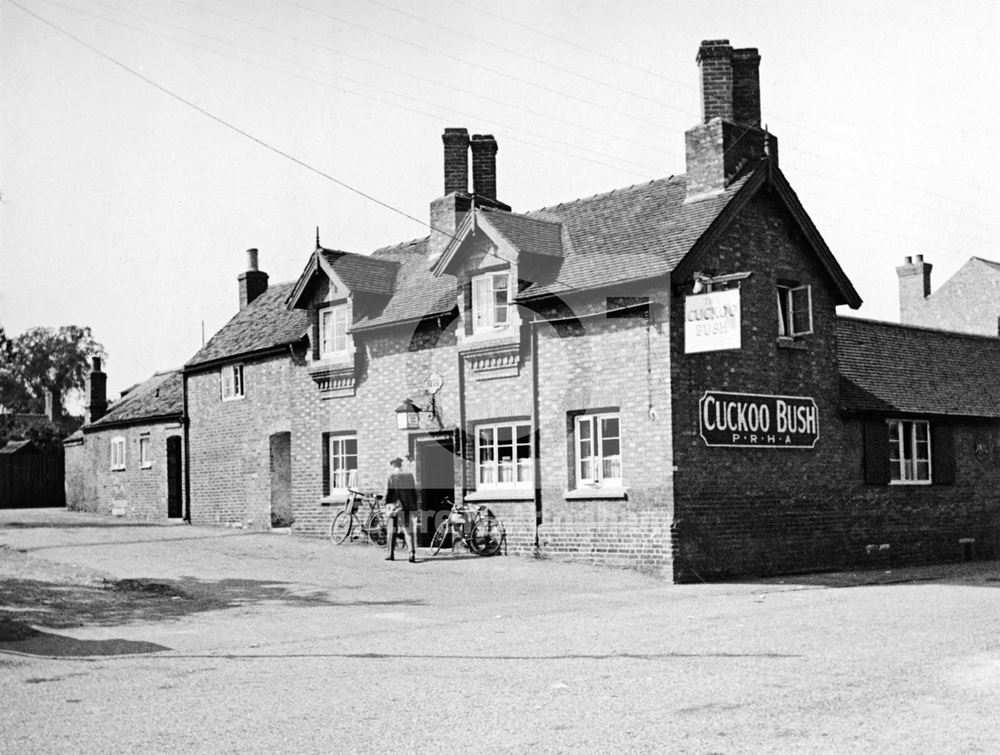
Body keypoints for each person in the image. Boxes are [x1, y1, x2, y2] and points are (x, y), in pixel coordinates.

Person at [384, 456, 417, 562]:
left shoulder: (391, 476)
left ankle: (391, 554)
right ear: (401, 464)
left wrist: (386, 503)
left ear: (393, 465)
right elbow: (413, 493)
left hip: (394, 506)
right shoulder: (409, 475)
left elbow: (388, 493)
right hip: (406, 506)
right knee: (407, 530)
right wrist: (413, 507)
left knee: (391, 530)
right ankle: (411, 553)